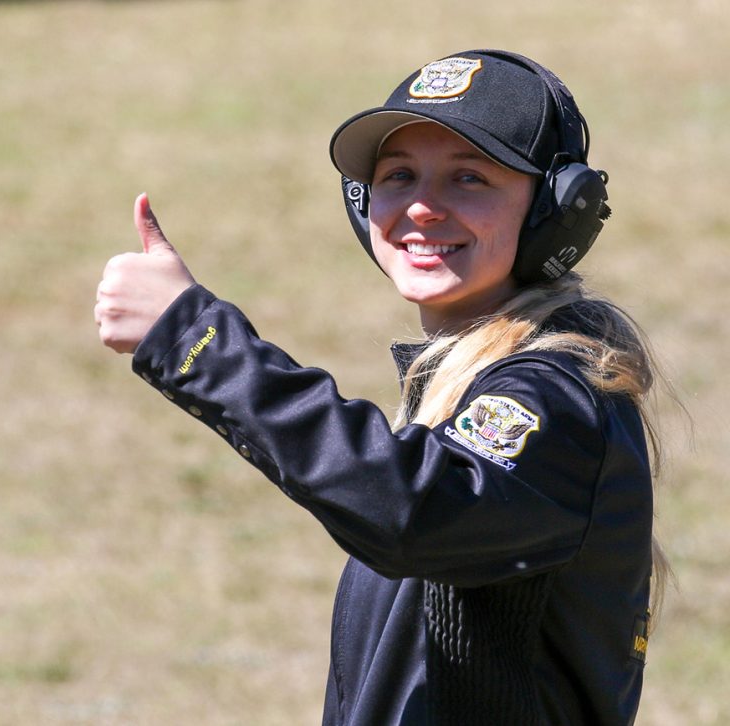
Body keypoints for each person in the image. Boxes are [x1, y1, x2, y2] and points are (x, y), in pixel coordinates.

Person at [95, 49, 667, 725]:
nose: (422, 207)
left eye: (470, 178)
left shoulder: (561, 395)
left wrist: (194, 338)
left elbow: (414, 512)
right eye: (399, 176)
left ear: (556, 211)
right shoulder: (466, 385)